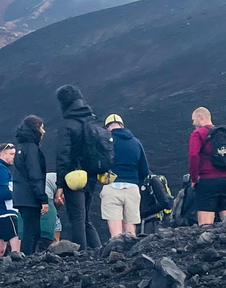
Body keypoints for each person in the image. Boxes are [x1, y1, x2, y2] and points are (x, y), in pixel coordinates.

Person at [53, 85, 102, 250]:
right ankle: (97, 252)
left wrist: (60, 185)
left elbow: (63, 157)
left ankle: (80, 257)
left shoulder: (68, 125)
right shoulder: (93, 120)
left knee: (77, 218)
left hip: (74, 177)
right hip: (92, 175)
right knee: (86, 217)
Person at [188, 107, 226, 226]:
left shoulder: (198, 134)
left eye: (193, 120)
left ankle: (207, 244)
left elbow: (193, 156)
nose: (193, 123)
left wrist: (194, 178)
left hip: (207, 182)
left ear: (200, 117)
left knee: (205, 226)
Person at [101, 113, 149, 237]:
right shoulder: (136, 142)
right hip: (132, 189)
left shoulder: (105, 141)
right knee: (130, 230)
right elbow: (144, 170)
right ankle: (131, 254)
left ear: (107, 127)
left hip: (112, 187)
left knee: (116, 233)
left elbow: (99, 164)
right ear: (122, 126)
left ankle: (117, 252)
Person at [14, 115, 49, 255]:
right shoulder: (32, 149)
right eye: (41, 127)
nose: (44, 131)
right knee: (32, 232)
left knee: (31, 230)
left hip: (21, 196)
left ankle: (27, 261)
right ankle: (27, 261)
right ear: (35, 129)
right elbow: (35, 176)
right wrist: (43, 198)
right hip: (30, 198)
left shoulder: (21, 147)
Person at [40, 171, 62, 247]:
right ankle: (55, 246)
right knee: (55, 224)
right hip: (46, 199)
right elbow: (58, 200)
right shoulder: (61, 181)